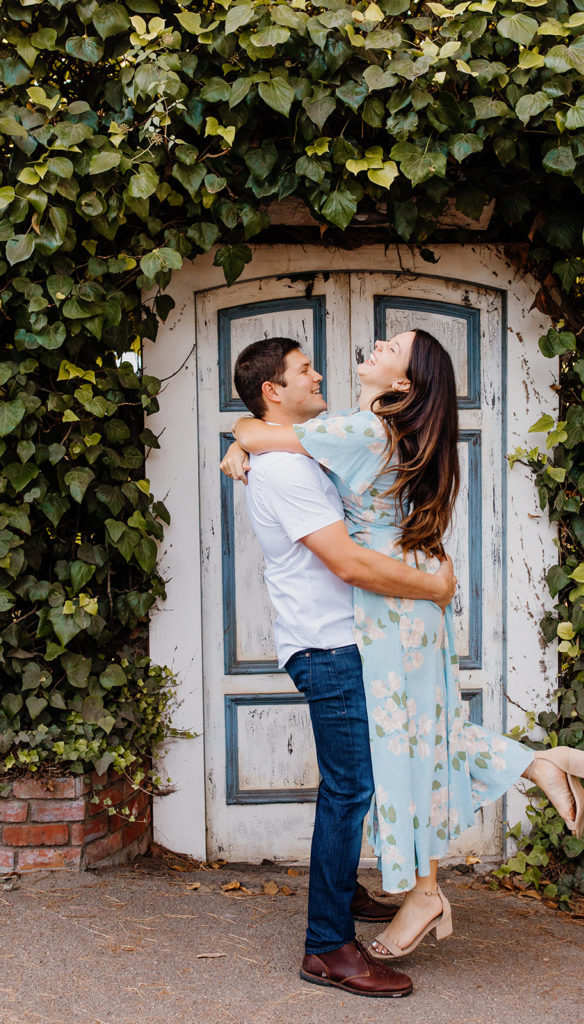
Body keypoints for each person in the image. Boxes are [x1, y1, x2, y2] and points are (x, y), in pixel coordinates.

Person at [227, 328, 584, 961]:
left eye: (390, 347)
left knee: (405, 743)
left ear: (402, 383)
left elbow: (263, 431)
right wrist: (244, 443)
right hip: (400, 607)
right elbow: (261, 428)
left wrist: (245, 443)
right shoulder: (368, 430)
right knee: (417, 734)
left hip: (396, 604)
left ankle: (424, 886)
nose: (370, 344)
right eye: (304, 368)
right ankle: (532, 768)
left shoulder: (364, 433)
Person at [223, 336, 459, 997]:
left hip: (347, 639)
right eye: (304, 371)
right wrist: (436, 589)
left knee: (359, 783)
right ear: (276, 391)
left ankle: (348, 898)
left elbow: (285, 443)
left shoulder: (306, 451)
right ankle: (327, 947)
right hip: (328, 647)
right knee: (348, 792)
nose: (318, 373)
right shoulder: (287, 470)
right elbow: (350, 563)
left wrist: (243, 439)